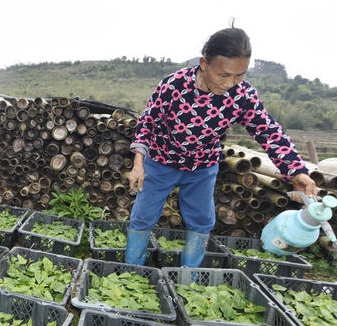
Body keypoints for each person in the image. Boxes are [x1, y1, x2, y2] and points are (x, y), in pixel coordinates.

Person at [125, 27, 317, 267]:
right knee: (143, 216)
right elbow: (147, 124)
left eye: (240, 75)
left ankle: (189, 278)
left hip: (202, 168)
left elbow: (268, 131)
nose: (230, 83)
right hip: (161, 161)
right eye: (224, 75)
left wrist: (296, 170)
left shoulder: (242, 95)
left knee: (202, 221)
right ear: (204, 63)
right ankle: (131, 270)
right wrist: (138, 164)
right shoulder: (175, 86)